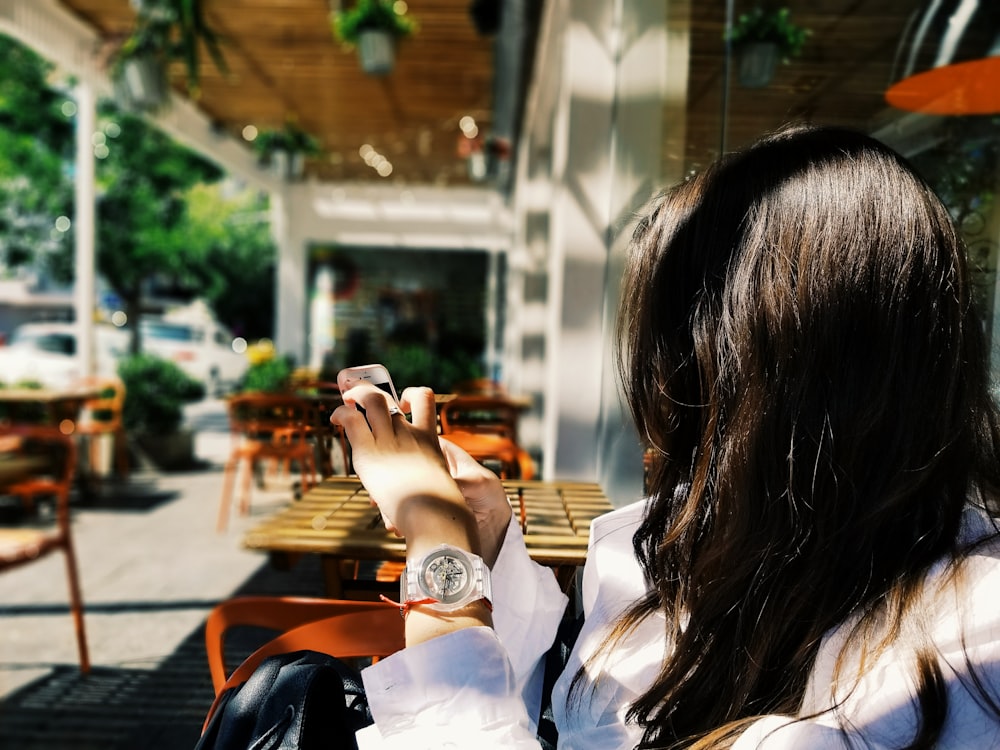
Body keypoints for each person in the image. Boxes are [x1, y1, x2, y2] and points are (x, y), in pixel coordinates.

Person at [331, 124, 1000, 749]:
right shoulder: (688, 543)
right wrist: (488, 543)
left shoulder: (963, 658)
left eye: (675, 360)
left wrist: (437, 543)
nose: (658, 398)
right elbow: (577, 713)